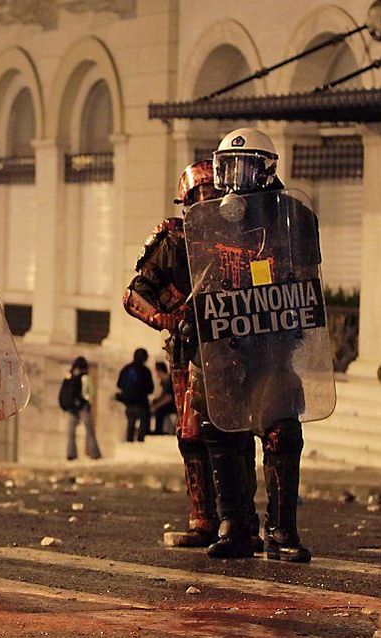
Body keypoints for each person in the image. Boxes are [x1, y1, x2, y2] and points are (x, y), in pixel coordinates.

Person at [123, 160, 260, 549]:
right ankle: (204, 520)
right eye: (197, 199)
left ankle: (242, 520)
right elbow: (134, 295)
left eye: (212, 198)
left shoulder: (241, 236)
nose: (205, 205)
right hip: (189, 350)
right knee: (192, 435)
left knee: (237, 432)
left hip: (236, 350)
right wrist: (167, 318)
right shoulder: (173, 241)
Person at [197, 128, 317, 562]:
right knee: (221, 428)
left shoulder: (294, 216)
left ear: (266, 170)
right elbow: (201, 276)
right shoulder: (209, 219)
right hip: (227, 348)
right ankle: (236, 525)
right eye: (227, 168)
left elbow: (307, 281)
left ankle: (282, 530)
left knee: (281, 431)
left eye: (246, 167)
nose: (235, 180)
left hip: (273, 344)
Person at [60, 357, 101, 461]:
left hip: (71, 408)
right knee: (90, 431)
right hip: (83, 406)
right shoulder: (86, 378)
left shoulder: (68, 376)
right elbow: (91, 392)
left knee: (71, 433)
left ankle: (71, 454)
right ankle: (94, 454)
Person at [117, 348, 154, 442]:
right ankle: (141, 439)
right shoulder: (145, 371)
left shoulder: (126, 369)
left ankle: (129, 439)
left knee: (131, 422)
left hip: (128, 403)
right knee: (143, 422)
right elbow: (150, 388)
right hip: (141, 403)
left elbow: (119, 384)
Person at [151, 362, 175, 435]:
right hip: (169, 403)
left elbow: (168, 397)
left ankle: (159, 431)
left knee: (159, 410)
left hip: (172, 405)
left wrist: (156, 406)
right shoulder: (164, 382)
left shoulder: (168, 381)